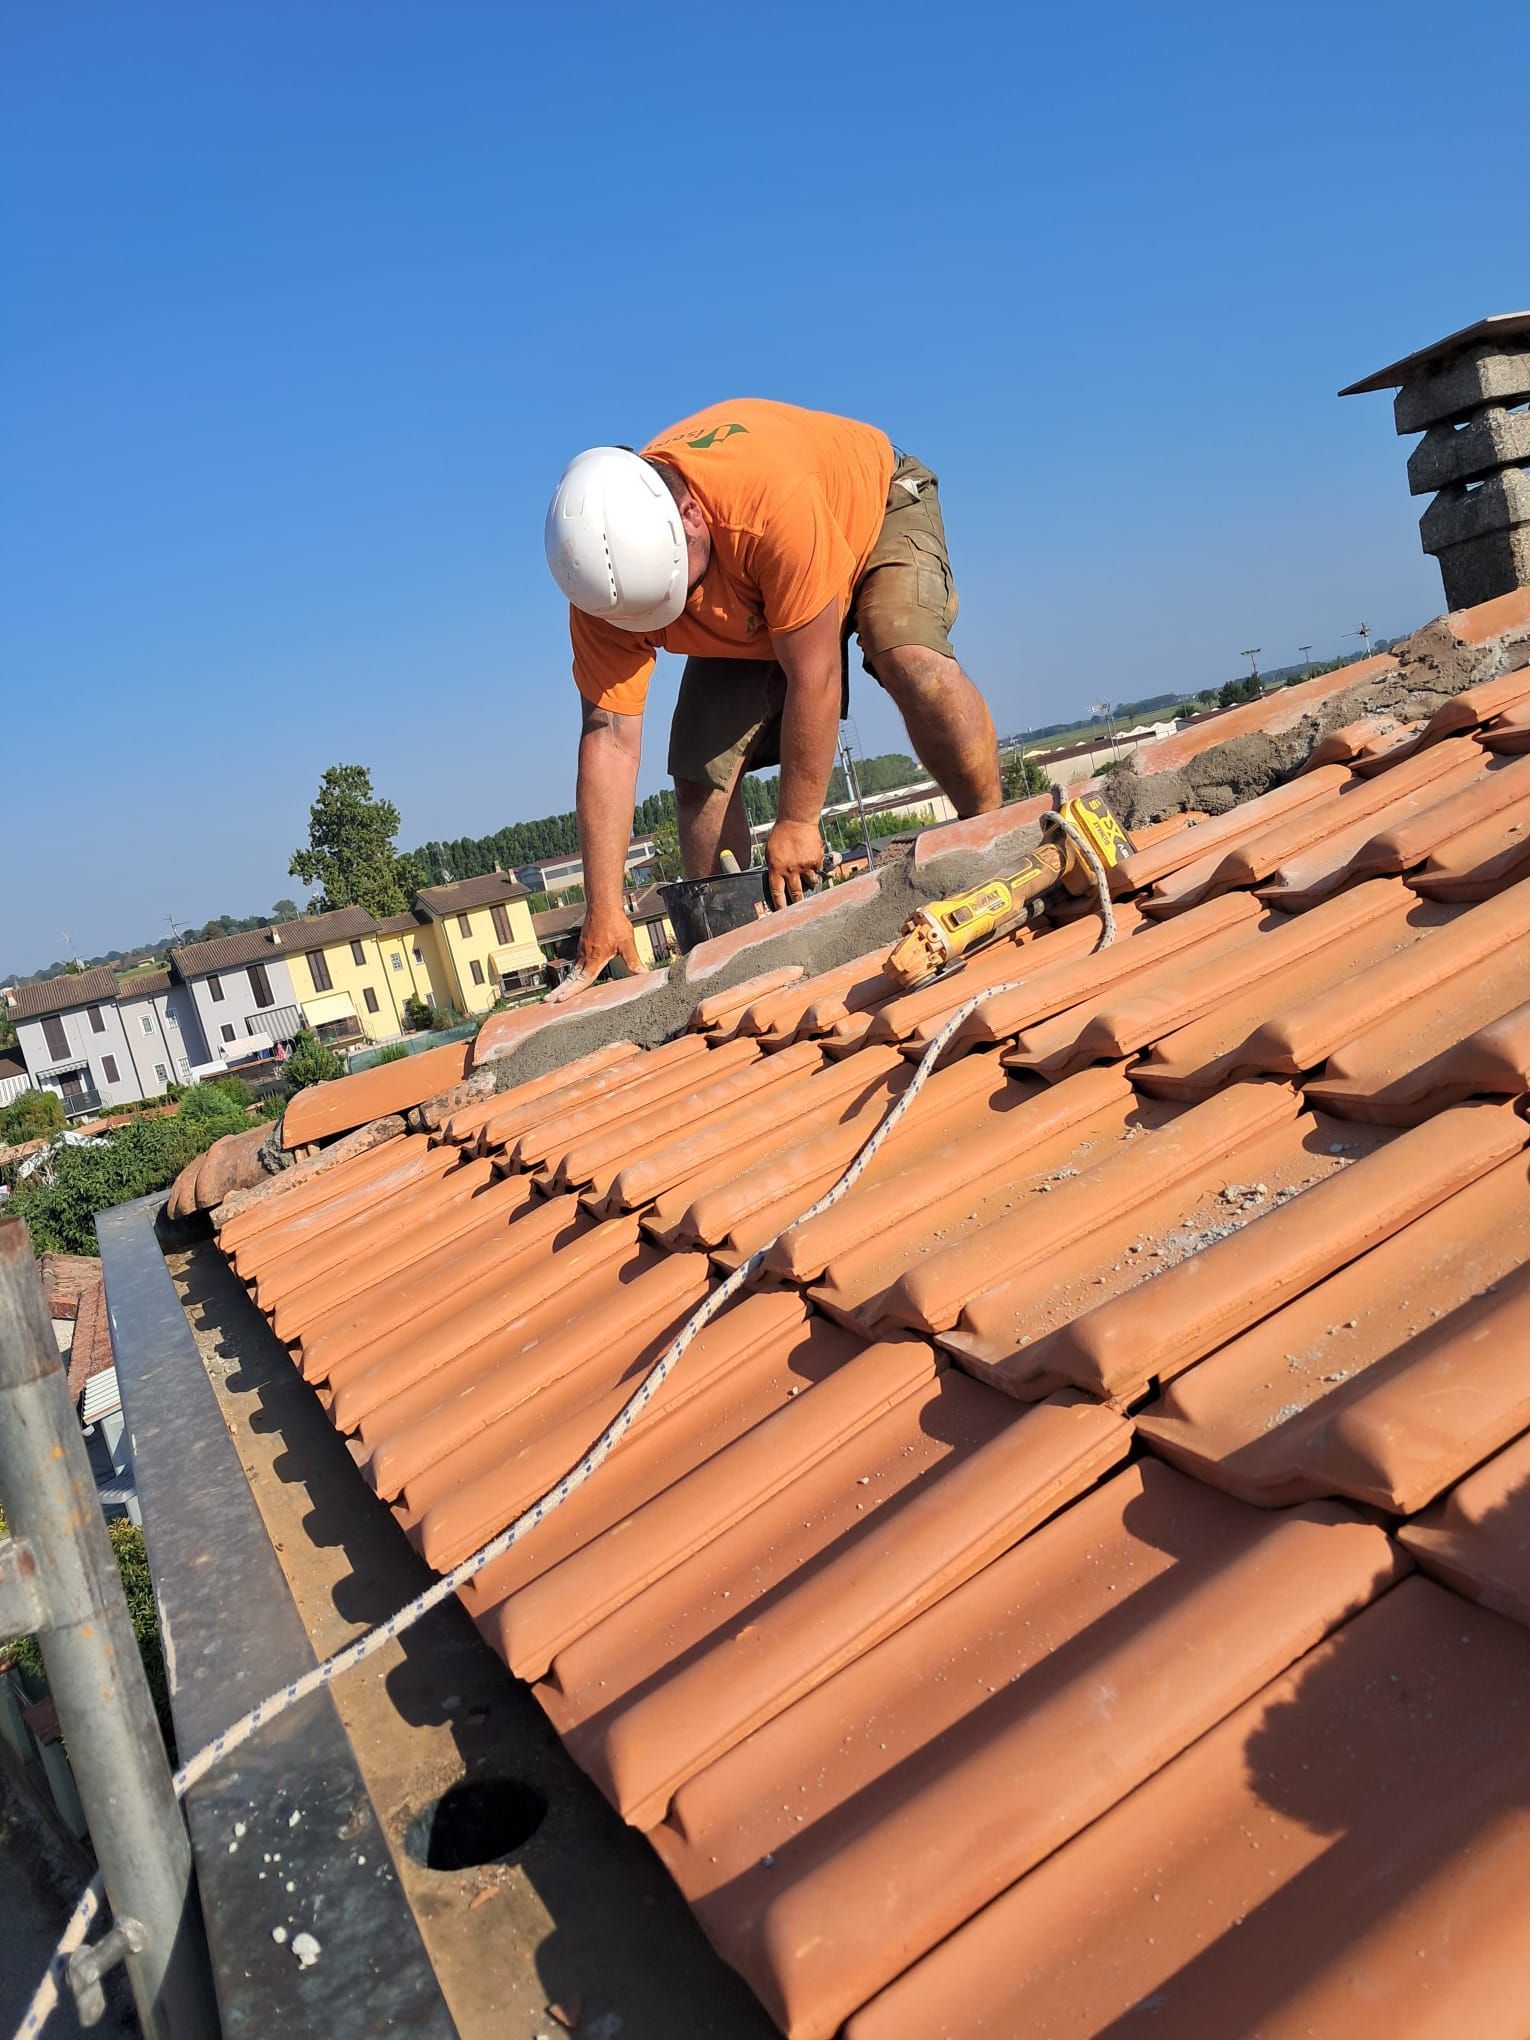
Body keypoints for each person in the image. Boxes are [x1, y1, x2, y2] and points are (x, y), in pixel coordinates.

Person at [544, 396, 1001, 988]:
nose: (670, 617)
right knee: (698, 767)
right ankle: (735, 957)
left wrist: (798, 822)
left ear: (690, 516)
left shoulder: (766, 504)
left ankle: (994, 835)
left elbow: (814, 675)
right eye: (652, 613)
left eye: (675, 591)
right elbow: (609, 741)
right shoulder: (603, 590)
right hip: (756, 595)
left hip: (873, 509)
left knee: (906, 654)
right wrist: (603, 906)